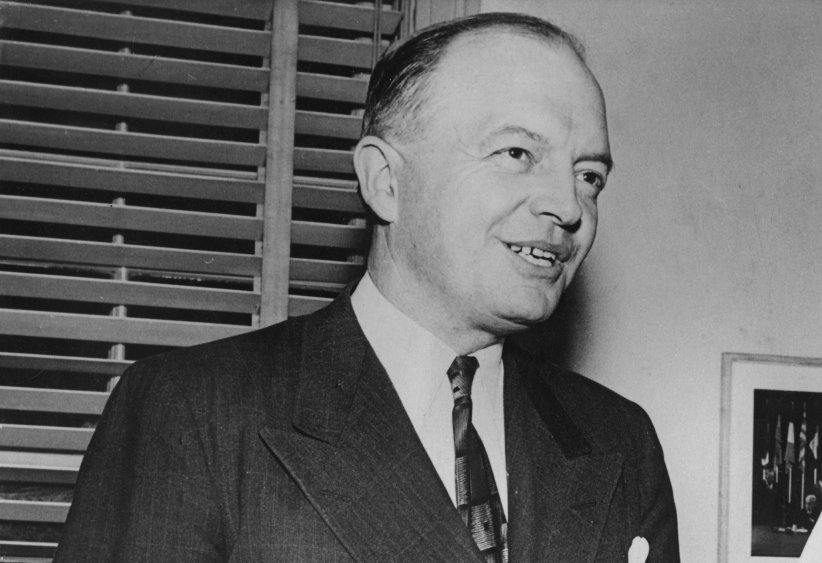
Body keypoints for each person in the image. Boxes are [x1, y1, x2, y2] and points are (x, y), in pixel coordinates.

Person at [55, 12, 681, 562]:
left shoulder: (619, 443)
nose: (568, 205)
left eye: (590, 175)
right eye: (518, 153)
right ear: (384, 181)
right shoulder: (195, 413)